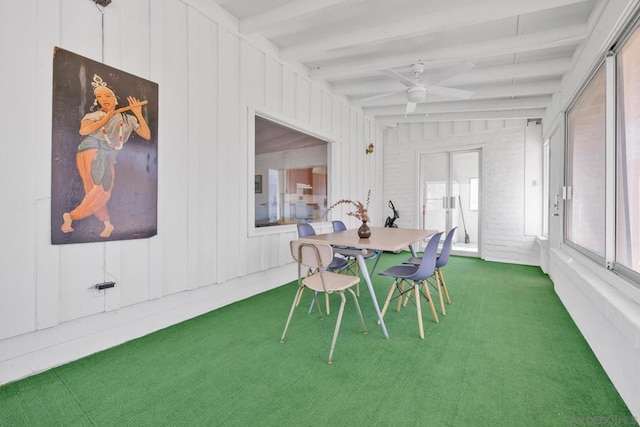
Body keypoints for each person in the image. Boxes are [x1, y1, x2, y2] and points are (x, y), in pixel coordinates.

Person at [61, 74, 151, 238]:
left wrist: (138, 113)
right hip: (90, 151)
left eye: (107, 95)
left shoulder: (127, 118)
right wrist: (107, 117)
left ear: (115, 98)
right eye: (99, 96)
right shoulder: (94, 116)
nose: (104, 99)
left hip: (107, 154)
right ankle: (72, 216)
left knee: (95, 192)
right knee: (101, 190)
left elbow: (146, 135)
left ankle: (107, 224)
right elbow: (84, 131)